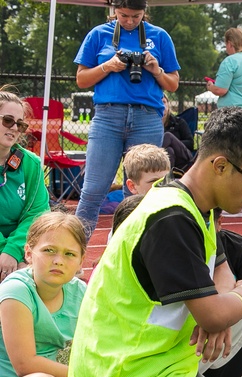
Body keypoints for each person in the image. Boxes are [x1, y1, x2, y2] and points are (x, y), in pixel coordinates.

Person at [65, 107, 242, 377]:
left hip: (160, 353)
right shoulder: (171, 217)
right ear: (221, 165)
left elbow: (222, 271)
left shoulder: (200, 203)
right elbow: (214, 310)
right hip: (126, 367)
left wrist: (225, 308)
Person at [73, 0, 180, 241]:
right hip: (107, 117)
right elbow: (81, 79)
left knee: (139, 192)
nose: (130, 21)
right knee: (92, 191)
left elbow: (173, 83)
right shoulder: (98, 34)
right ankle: (75, 254)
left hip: (146, 117)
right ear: (114, 11)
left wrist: (155, 70)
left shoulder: (160, 36)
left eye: (136, 16)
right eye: (123, 15)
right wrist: (108, 66)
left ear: (145, 12)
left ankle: (132, 251)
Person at [0, 213, 87, 377]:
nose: (58, 260)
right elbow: (25, 365)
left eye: (69, 254)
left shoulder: (80, 293)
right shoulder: (16, 290)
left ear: (80, 261)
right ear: (29, 253)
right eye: (49, 250)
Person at [0, 86, 49, 283]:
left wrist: (14, 252)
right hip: (8, 250)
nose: (13, 128)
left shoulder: (31, 163)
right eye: (7, 120)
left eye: (19, 124)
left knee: (36, 274)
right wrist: (6, 253)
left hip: (20, 245)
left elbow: (37, 213)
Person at [206, 27, 242, 115]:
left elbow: (220, 90)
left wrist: (211, 86)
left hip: (233, 115)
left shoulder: (230, 61)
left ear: (229, 43)